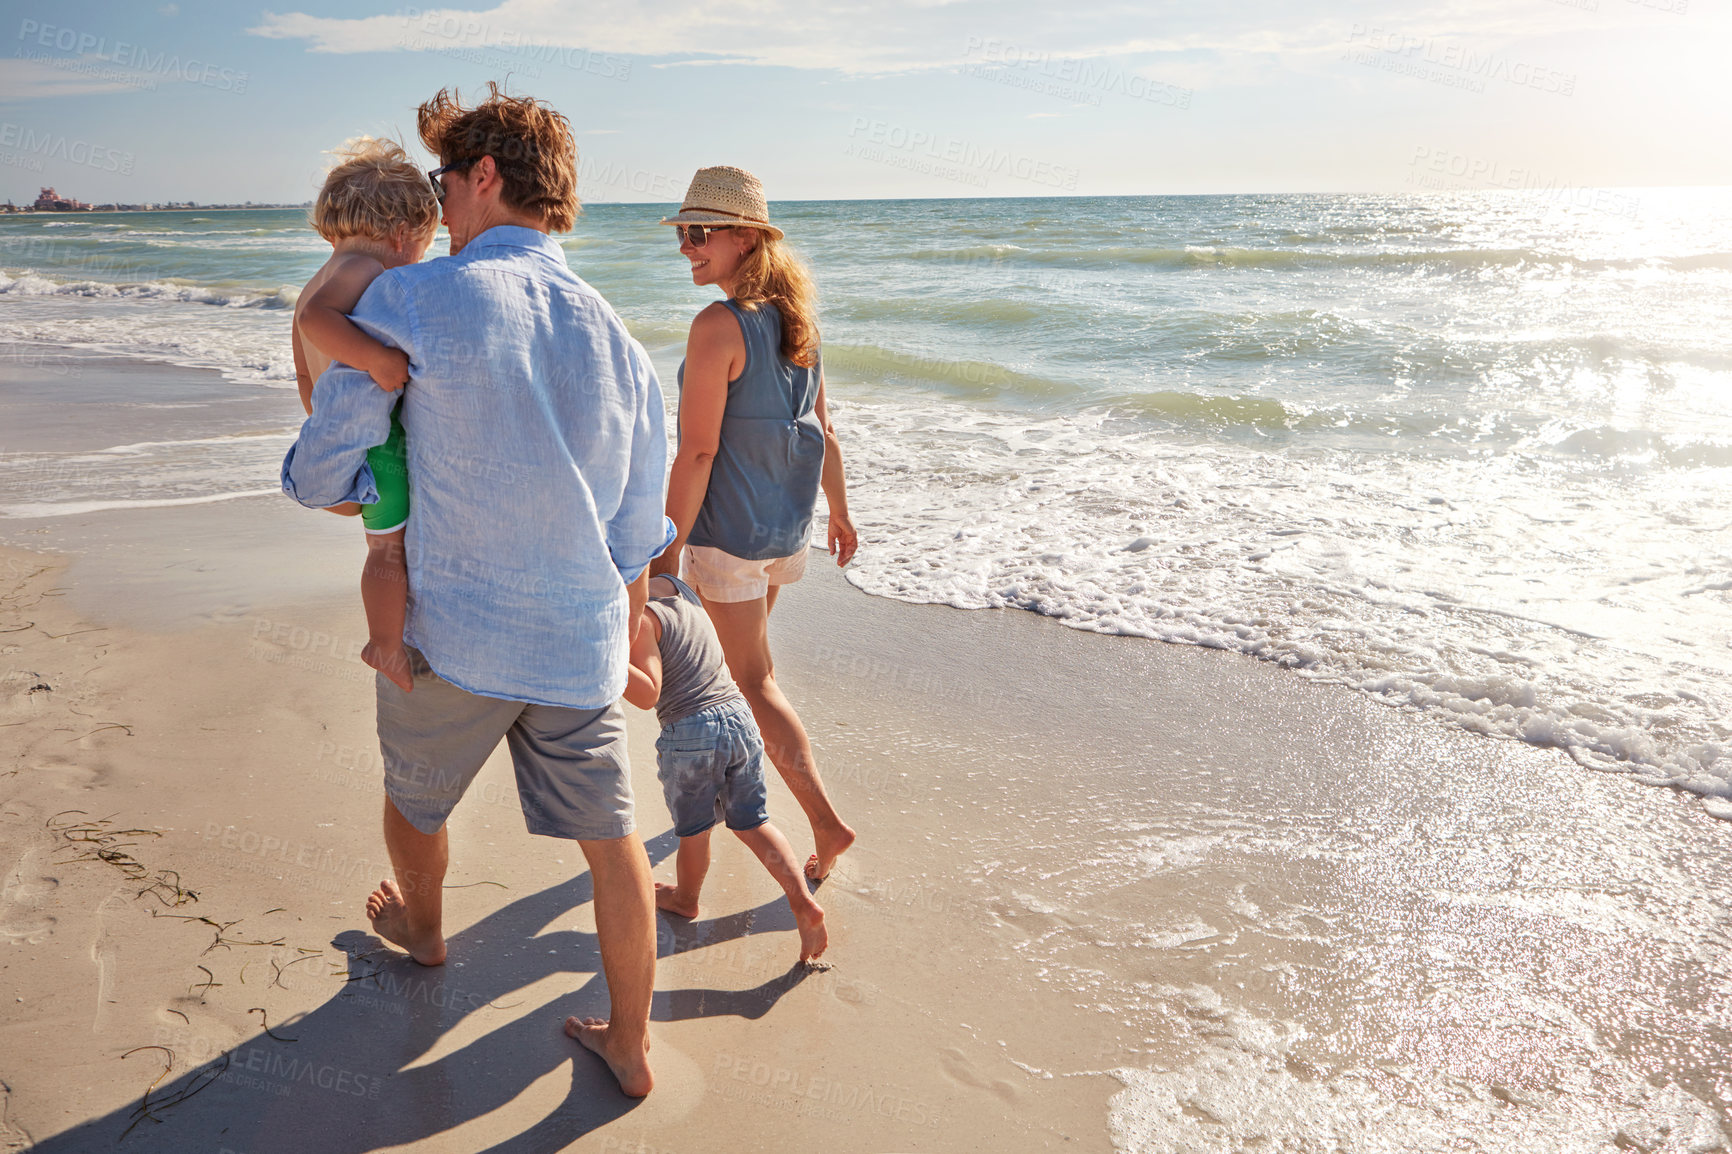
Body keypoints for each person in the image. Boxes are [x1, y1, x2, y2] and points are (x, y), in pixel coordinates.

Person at [281, 83, 672, 1098]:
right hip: (579, 641)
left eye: (448, 181)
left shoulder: (419, 298)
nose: (442, 204)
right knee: (613, 840)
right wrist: (625, 634)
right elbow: (637, 528)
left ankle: (422, 927)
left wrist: (344, 488)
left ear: (487, 176)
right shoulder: (624, 344)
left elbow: (329, 464)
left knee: (415, 800)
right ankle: (631, 1042)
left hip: (449, 636)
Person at [652, 166, 858, 882]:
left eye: (701, 233)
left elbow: (700, 450)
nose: (687, 247)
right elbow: (824, 431)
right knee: (743, 681)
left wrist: (665, 553)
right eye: (683, 233)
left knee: (753, 679)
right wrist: (840, 511)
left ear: (746, 238)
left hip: (729, 539)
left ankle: (827, 825)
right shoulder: (799, 321)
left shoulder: (718, 327)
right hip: (783, 534)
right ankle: (724, 791)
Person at [292, 137, 439, 693]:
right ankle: (384, 644)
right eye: (425, 247)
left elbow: (307, 380)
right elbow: (317, 321)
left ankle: (385, 638)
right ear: (403, 234)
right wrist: (378, 358)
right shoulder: (360, 268)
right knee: (388, 548)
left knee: (380, 545)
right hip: (376, 448)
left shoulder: (323, 272)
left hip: (339, 445)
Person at [623, 573, 827, 961]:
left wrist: (601, 655)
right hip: (740, 716)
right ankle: (801, 900)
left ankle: (685, 900)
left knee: (694, 832)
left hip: (691, 732)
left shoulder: (641, 620)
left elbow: (648, 692)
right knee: (754, 821)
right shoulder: (680, 588)